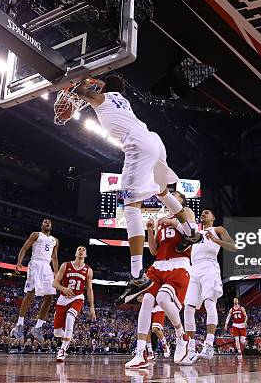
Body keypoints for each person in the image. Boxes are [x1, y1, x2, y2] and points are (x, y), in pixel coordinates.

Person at [70, 77, 202, 303]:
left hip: (138, 145)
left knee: (131, 207)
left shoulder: (103, 99)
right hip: (154, 141)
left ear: (102, 88)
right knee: (162, 192)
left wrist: (78, 81)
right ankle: (191, 232)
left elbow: (82, 90)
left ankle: (136, 276)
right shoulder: (122, 101)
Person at [126, 191, 195, 368]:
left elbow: (192, 234)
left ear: (181, 200)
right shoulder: (161, 219)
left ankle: (181, 336)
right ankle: (141, 352)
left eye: (175, 195)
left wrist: (173, 222)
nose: (170, 196)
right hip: (159, 264)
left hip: (179, 262)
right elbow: (154, 250)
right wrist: (150, 231)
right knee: (147, 301)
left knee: (163, 299)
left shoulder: (185, 212)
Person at [183, 209, 237, 362]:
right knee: (188, 307)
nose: (203, 214)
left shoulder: (218, 229)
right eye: (202, 213)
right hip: (194, 268)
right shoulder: (195, 232)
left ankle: (208, 344)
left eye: (207, 213)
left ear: (213, 217)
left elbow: (234, 247)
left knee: (209, 302)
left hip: (209, 266)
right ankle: (191, 348)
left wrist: (215, 240)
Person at [12, 218, 59, 343]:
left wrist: (57, 273)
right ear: (42, 225)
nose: (47, 223)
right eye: (45, 221)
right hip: (36, 264)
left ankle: (37, 328)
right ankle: (19, 325)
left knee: (49, 297)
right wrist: (19, 262)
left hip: (47, 267)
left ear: (51, 226)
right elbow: (24, 248)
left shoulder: (55, 240)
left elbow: (54, 257)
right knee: (30, 294)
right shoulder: (36, 235)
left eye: (49, 222)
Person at [52, 246, 96, 362]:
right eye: (79, 249)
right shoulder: (65, 265)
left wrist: (92, 307)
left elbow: (90, 290)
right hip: (63, 298)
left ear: (85, 255)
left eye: (83, 250)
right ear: (75, 252)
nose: (81, 251)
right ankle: (68, 336)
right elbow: (54, 283)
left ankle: (62, 350)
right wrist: (63, 288)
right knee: (57, 333)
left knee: (70, 317)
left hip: (77, 297)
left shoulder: (88, 270)